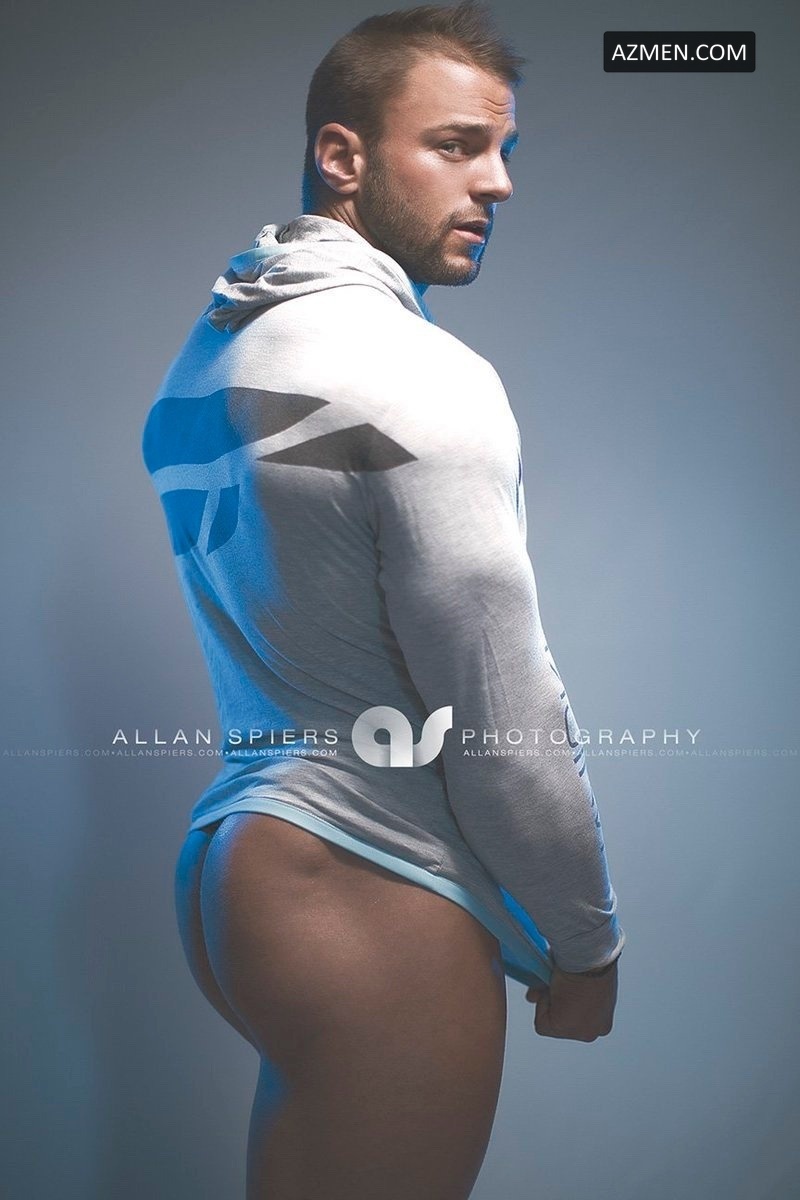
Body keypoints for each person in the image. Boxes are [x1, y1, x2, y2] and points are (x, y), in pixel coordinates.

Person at [142, 4, 625, 1197]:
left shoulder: (213, 355)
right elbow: (499, 706)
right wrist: (586, 939)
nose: (495, 182)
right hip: (369, 886)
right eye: (455, 146)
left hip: (247, 867)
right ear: (342, 156)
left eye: (502, 150)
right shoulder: (410, 371)